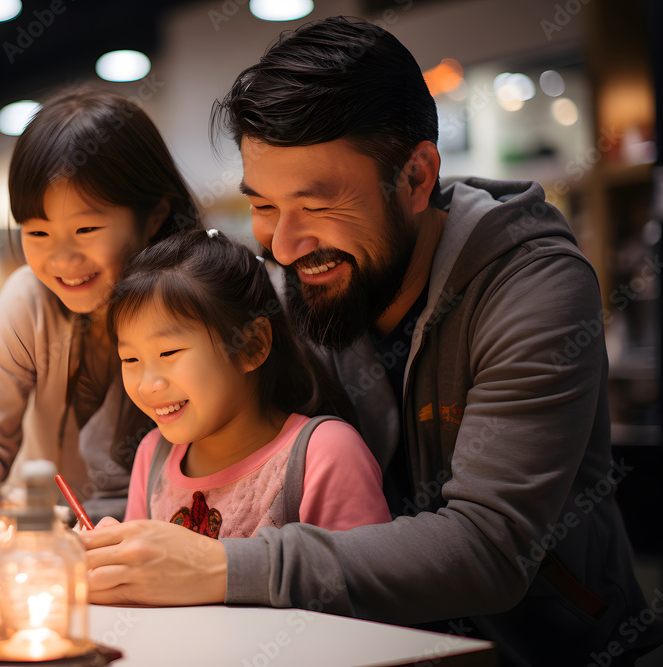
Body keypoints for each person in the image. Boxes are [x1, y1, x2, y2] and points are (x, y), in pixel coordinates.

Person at [80, 17, 663, 666]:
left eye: (316, 204)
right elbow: (180, 433)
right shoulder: (305, 279)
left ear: (416, 178)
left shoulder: (535, 287)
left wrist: (223, 566)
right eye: (264, 206)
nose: (281, 245)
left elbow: (491, 548)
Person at [0, 88, 202, 532]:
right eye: (39, 233)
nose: (62, 261)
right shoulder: (29, 299)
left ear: (155, 213)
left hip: (169, 536)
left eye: (85, 228)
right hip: (45, 537)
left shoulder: (202, 300)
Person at [102, 228, 390, 538]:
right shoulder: (153, 455)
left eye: (168, 352)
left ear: (251, 346)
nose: (147, 385)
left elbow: (358, 580)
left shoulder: (324, 453)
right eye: (130, 360)